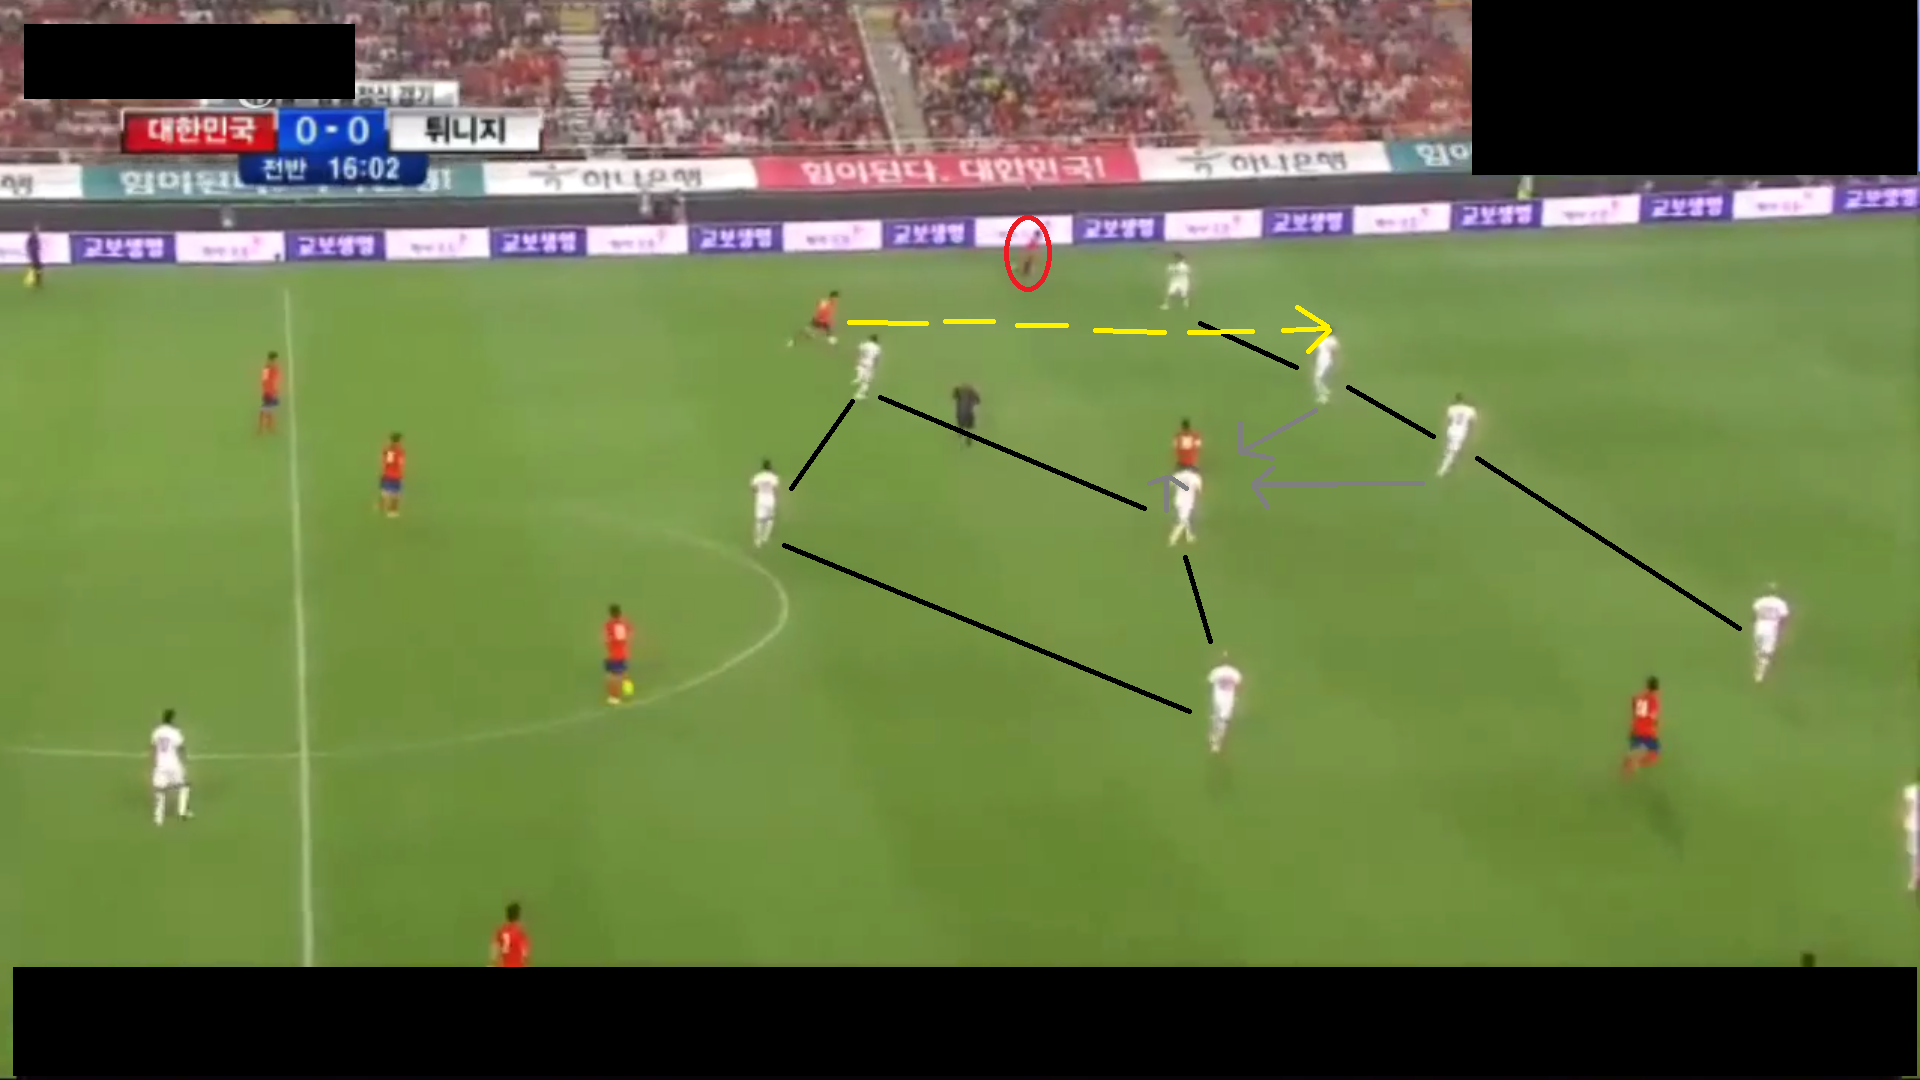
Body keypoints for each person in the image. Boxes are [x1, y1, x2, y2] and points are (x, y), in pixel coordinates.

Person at [150, 708, 191, 825]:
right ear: (172, 719)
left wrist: (154, 761)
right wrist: (185, 758)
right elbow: (181, 747)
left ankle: (158, 818)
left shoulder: (157, 732)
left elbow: (153, 747)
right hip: (173, 764)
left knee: (160, 790)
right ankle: (182, 812)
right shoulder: (175, 732)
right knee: (184, 786)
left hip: (161, 764)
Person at [1622, 676, 1661, 776]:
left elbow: (1635, 713)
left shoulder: (1637, 697)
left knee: (1643, 754)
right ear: (1656, 689)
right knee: (1653, 756)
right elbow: (1653, 719)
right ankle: (1628, 769)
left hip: (1636, 730)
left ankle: (1630, 762)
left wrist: (1632, 729)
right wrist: (1655, 732)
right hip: (1647, 733)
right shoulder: (1654, 700)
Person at [1437, 394, 1477, 477]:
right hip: (1460, 432)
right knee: (1453, 451)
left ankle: (1446, 464)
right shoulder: (1470, 410)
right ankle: (1443, 469)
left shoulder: (1452, 408)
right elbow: (1472, 421)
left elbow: (1448, 419)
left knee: (1450, 448)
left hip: (1452, 430)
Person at [750, 459, 780, 549]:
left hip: (760, 499)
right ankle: (765, 537)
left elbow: (753, 487)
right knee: (770, 518)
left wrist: (757, 493)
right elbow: (775, 489)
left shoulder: (758, 476)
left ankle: (758, 540)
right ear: (770, 467)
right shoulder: (773, 477)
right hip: (770, 499)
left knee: (759, 520)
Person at [492, 902, 529, 967]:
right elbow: (524, 954)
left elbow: (495, 951)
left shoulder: (500, 931)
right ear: (518, 916)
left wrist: (494, 963)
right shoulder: (521, 933)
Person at [258, 352, 281, 434]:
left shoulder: (275, 368)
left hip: (273, 392)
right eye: (274, 360)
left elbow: (275, 380)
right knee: (264, 410)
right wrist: (268, 392)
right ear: (270, 359)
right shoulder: (266, 369)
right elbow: (264, 381)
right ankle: (260, 429)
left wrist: (276, 391)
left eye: (276, 360)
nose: (276, 361)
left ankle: (269, 427)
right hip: (268, 393)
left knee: (270, 410)